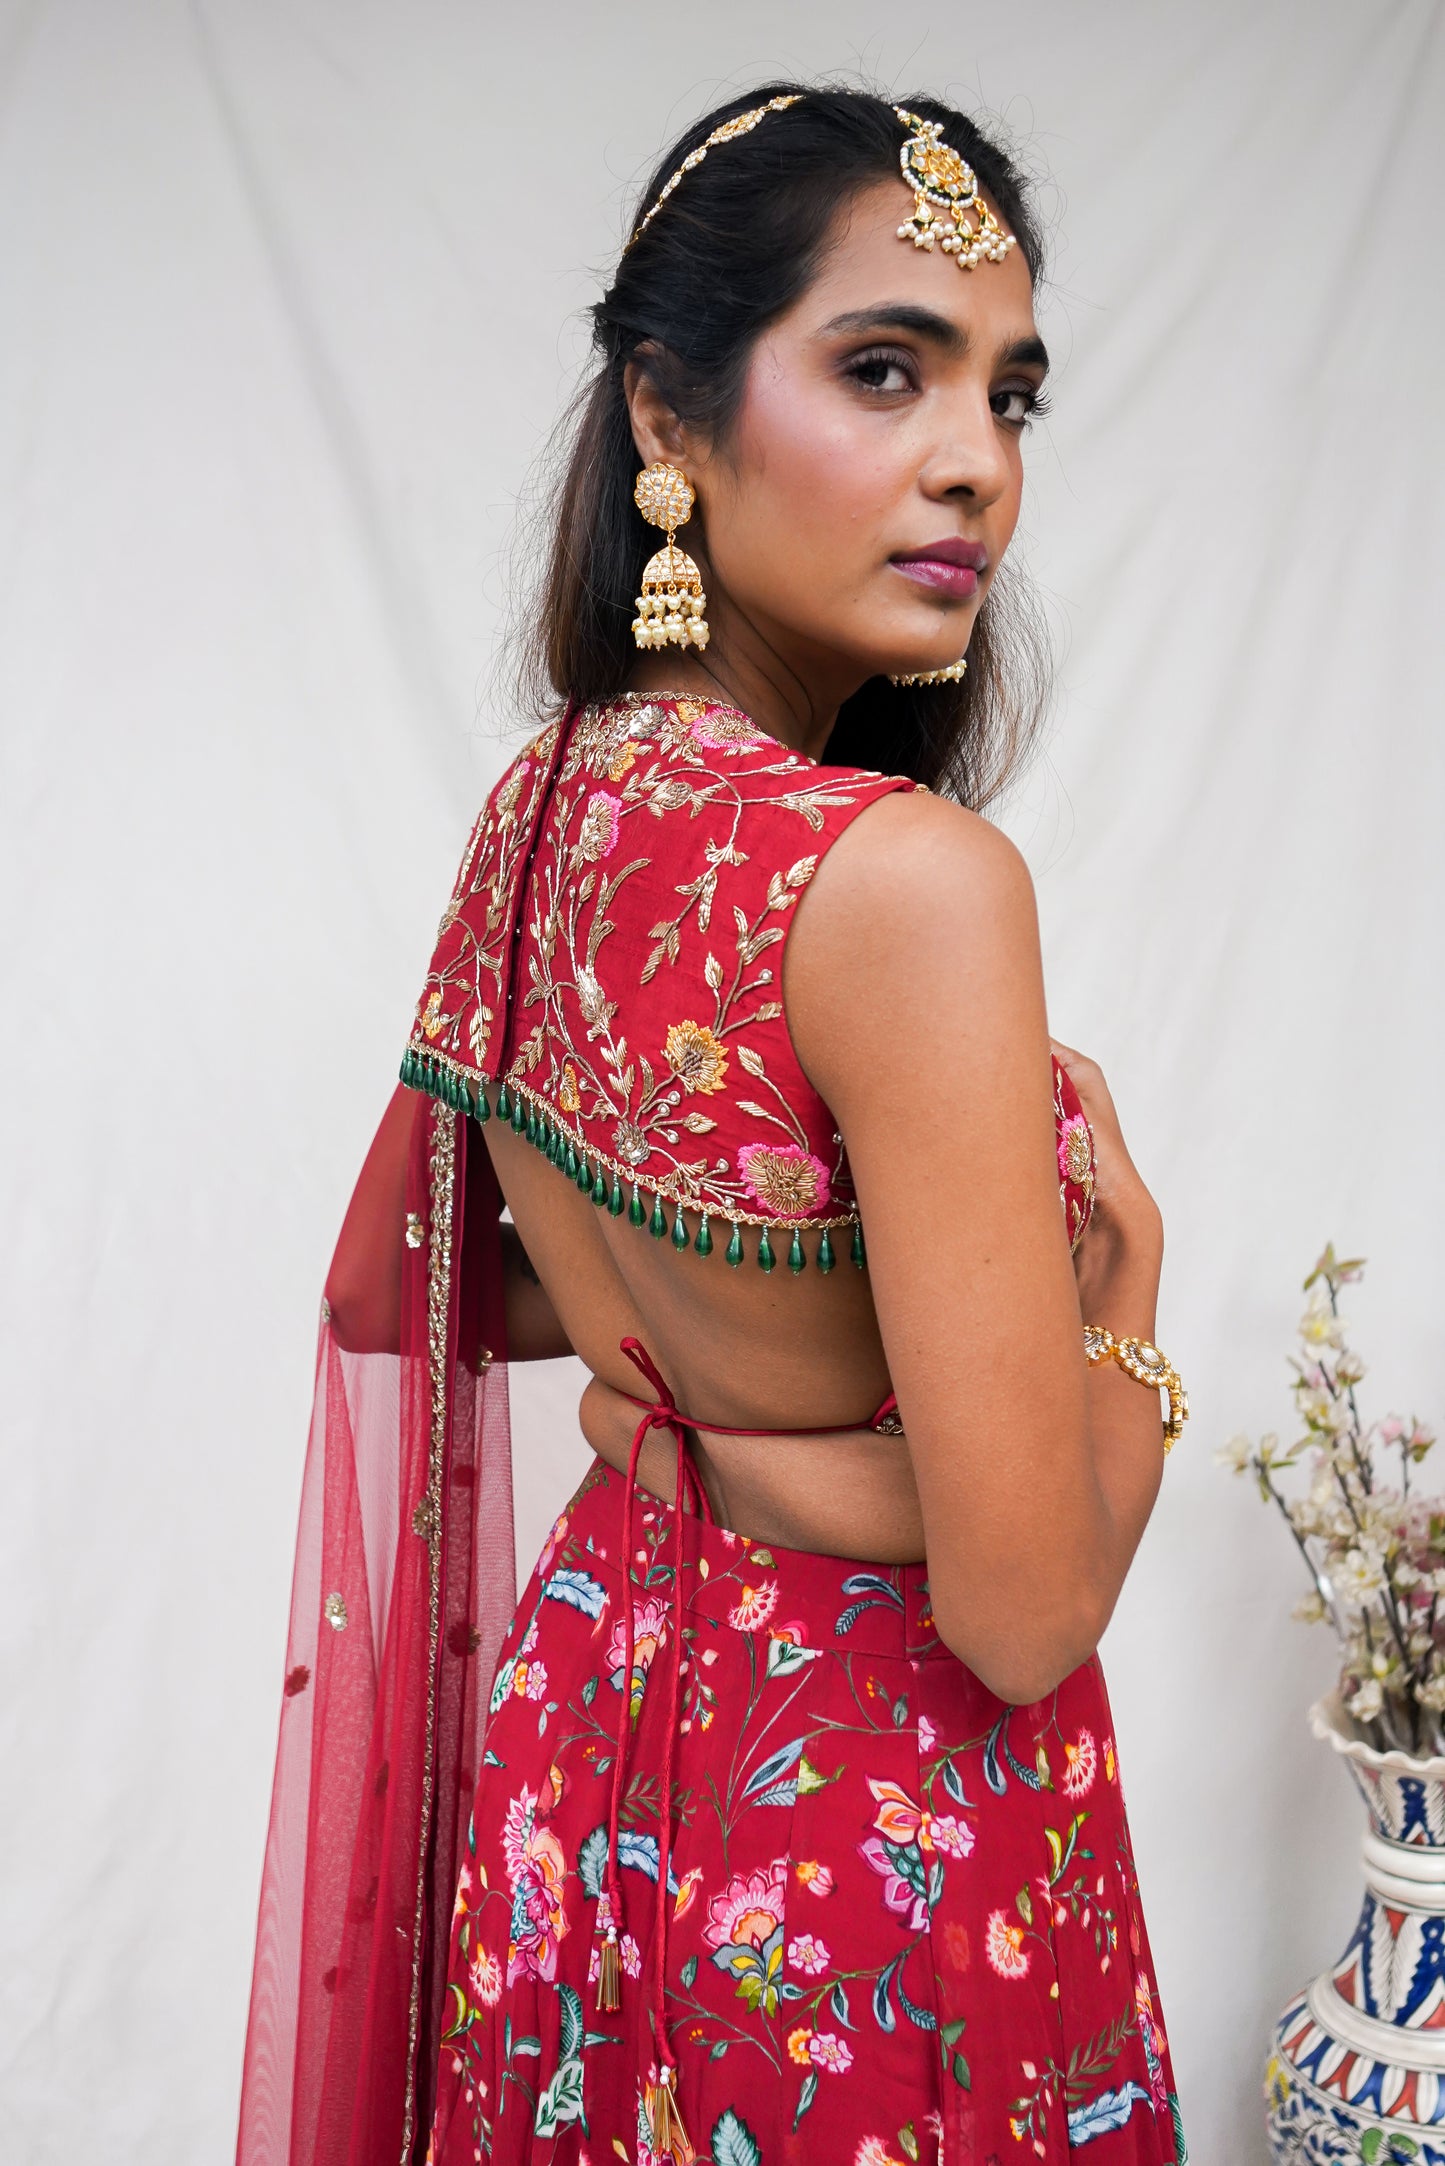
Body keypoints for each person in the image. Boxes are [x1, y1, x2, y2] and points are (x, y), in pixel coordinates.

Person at [236, 83, 1189, 2166]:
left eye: (1008, 396)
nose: (976, 464)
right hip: (860, 1856)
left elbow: (397, 1292)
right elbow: (1022, 1612)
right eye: (884, 369)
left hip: (583, 1780)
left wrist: (685, 1407)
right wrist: (1127, 1306)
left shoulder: (544, 814)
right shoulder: (909, 887)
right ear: (668, 422)